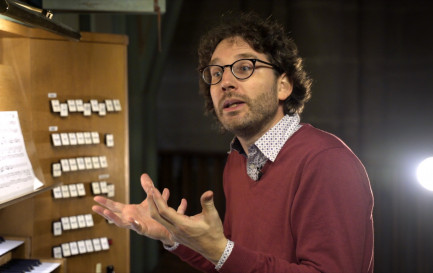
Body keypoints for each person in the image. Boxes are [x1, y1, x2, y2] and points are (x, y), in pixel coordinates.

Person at [92, 12, 374, 273]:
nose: (225, 82)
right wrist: (173, 234)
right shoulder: (239, 159)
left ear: (283, 86)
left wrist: (221, 250)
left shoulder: (327, 162)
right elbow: (234, 259)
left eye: (244, 67)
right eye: (216, 73)